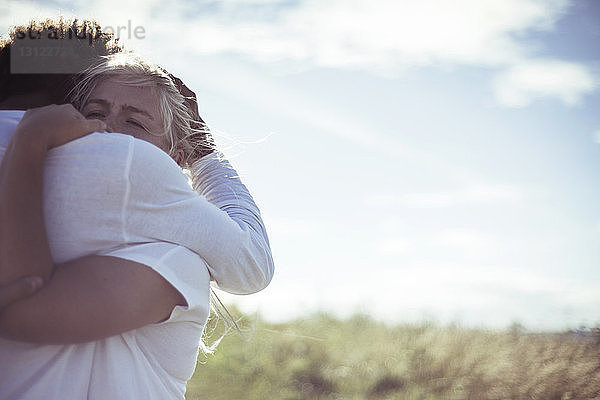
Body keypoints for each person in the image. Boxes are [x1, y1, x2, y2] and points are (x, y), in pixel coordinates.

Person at [0, 20, 273, 399]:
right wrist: (205, 150)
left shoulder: (172, 260)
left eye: (134, 122)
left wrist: (31, 140)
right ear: (68, 111)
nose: (106, 132)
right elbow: (252, 263)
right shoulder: (169, 248)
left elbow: (24, 312)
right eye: (94, 111)